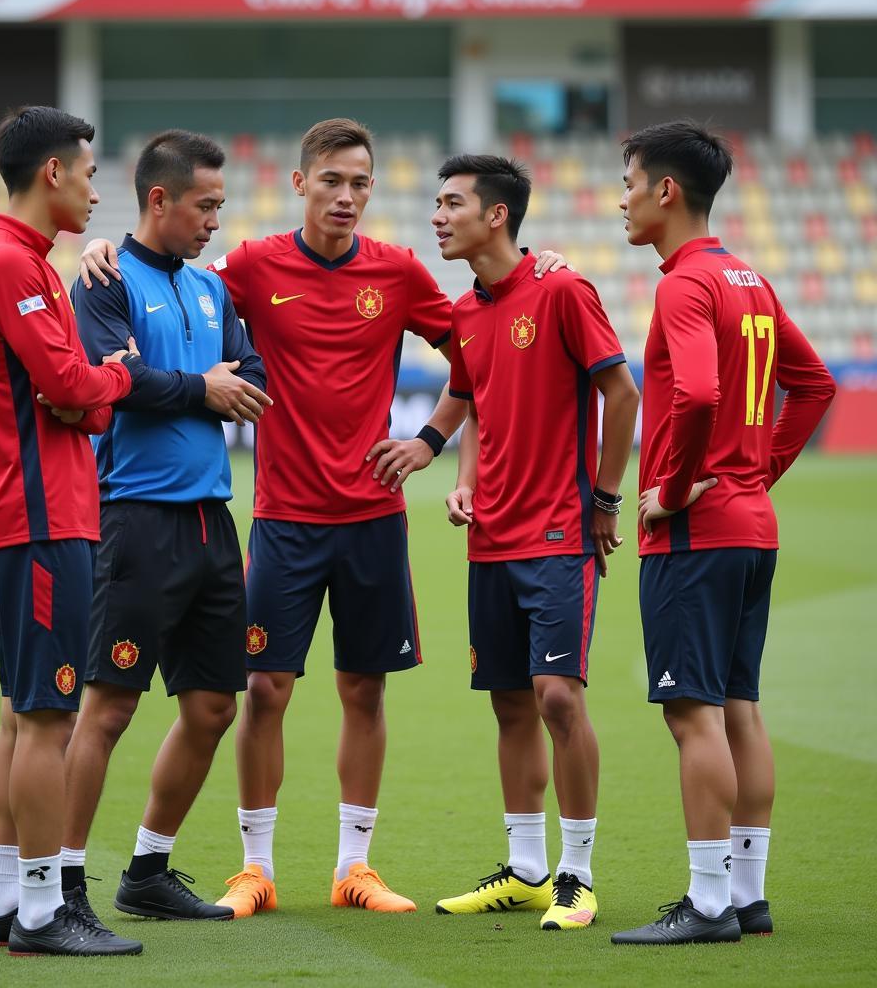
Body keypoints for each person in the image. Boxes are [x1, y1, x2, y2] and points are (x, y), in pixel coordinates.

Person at [79, 118, 568, 916]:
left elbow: (477, 352)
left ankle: (354, 868)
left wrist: (428, 441)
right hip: (283, 519)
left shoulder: (401, 273)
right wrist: (101, 249)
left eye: (361, 183)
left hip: (373, 517)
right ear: (300, 183)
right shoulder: (249, 267)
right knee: (264, 689)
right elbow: (163, 266)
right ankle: (256, 866)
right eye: (333, 180)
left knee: (363, 692)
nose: (347, 196)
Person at [610, 121, 836, 946]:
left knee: (691, 715)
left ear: (666, 191)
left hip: (696, 535)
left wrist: (670, 490)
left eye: (629, 182)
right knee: (740, 704)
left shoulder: (683, 286)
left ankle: (707, 905)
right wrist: (755, 476)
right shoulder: (751, 277)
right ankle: (749, 895)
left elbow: (699, 393)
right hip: (751, 525)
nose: (621, 198)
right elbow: (813, 386)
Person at [62, 130, 270, 928]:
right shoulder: (106, 278)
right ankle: (67, 883)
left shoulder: (213, 290)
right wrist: (199, 389)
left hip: (211, 521)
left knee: (215, 704)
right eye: (205, 204)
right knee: (109, 708)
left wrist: (202, 385)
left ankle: (148, 868)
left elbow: (246, 374)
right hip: (135, 520)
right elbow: (113, 381)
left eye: (220, 204)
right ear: (159, 199)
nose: (216, 219)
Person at [0, 105, 145, 957]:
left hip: (28, 515)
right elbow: (69, 383)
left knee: (20, 712)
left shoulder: (23, 262)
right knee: (45, 721)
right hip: (40, 520)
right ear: (52, 174)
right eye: (90, 172)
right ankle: (42, 912)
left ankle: (2, 900)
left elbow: (71, 401)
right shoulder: (14, 267)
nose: (97, 189)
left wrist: (83, 392)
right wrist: (117, 373)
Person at [438, 155, 639, 930]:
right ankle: (524, 869)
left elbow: (619, 392)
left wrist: (605, 497)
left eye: (452, 203)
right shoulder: (465, 312)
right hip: (490, 535)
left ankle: (576, 875)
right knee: (509, 703)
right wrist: (466, 479)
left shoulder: (562, 289)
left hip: (558, 533)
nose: (438, 215)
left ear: (497, 215)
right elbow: (477, 409)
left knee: (558, 696)